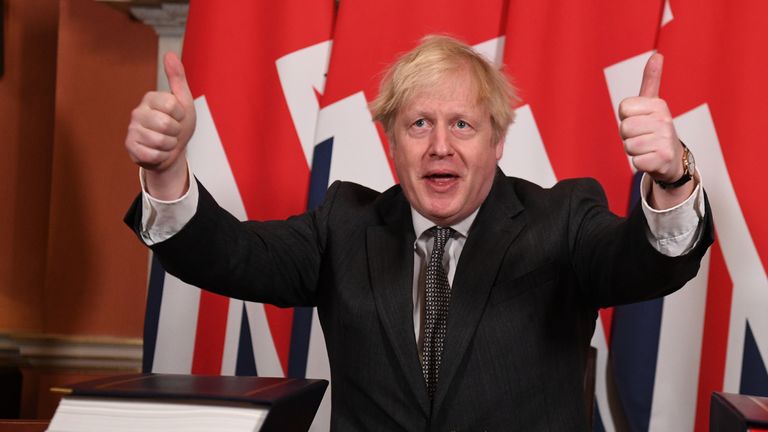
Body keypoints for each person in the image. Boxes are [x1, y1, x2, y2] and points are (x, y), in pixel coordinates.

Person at [124, 36, 712, 431]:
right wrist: (168, 171)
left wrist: (672, 175)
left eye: (463, 124)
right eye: (419, 124)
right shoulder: (345, 223)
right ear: (391, 141)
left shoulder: (562, 217)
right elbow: (232, 257)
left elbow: (647, 262)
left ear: (497, 141)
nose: (440, 146)